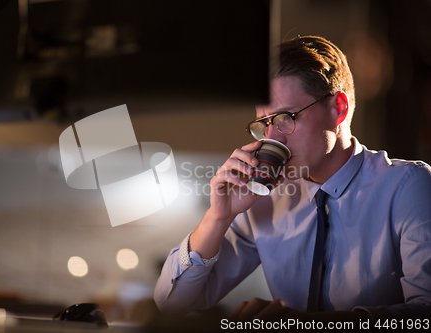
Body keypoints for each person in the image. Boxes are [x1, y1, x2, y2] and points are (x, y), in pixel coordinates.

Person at [153, 36, 431, 323]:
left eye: (285, 117)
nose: (272, 138)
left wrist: (307, 325)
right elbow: (171, 304)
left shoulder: (407, 185)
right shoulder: (266, 199)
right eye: (264, 123)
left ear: (339, 108)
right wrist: (218, 217)